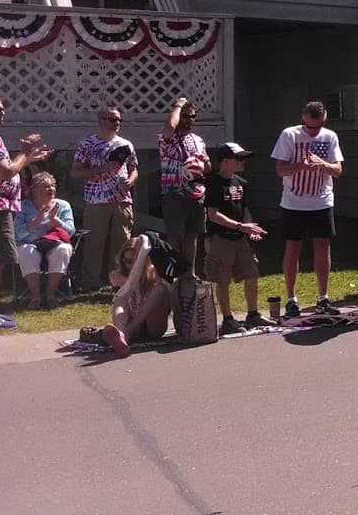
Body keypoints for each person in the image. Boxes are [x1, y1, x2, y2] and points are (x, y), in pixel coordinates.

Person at [270, 101, 343, 318]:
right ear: (303, 118)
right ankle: (291, 298)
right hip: (294, 202)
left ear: (324, 119)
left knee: (323, 246)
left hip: (321, 201)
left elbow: (338, 170)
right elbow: (280, 170)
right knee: (293, 248)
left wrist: (323, 165)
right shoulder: (289, 135)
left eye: (318, 126)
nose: (314, 131)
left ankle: (323, 296)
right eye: (310, 127)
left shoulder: (329, 137)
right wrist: (299, 166)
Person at [202, 143, 269, 333]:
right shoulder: (213, 183)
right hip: (219, 238)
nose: (243, 162)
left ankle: (253, 314)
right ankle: (228, 319)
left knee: (251, 273)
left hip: (240, 238)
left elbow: (244, 209)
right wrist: (241, 226)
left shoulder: (242, 183)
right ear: (225, 161)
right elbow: (213, 214)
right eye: (238, 158)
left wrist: (251, 228)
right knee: (222, 278)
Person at [70, 106, 137, 292]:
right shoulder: (88, 144)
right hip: (96, 199)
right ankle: (90, 283)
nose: (117, 123)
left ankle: (119, 282)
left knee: (122, 242)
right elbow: (75, 171)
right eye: (112, 119)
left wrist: (130, 181)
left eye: (119, 120)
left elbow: (134, 168)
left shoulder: (126, 144)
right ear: (101, 120)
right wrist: (101, 169)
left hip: (122, 199)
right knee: (94, 242)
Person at [0, 95, 52, 297]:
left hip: (4, 206)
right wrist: (24, 152)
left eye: (3, 109)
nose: (2, 113)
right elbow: (6, 172)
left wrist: (27, 158)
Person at [92, 236, 175, 359]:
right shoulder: (116, 275)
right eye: (127, 261)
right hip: (130, 322)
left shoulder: (154, 273)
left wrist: (145, 258)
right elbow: (132, 283)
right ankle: (121, 333)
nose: (131, 265)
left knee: (160, 289)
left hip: (153, 325)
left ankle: (125, 334)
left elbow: (165, 287)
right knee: (120, 297)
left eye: (135, 261)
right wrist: (139, 260)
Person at [158, 97, 209, 267]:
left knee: (192, 236)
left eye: (193, 117)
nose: (190, 120)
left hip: (195, 194)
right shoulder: (168, 138)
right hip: (174, 193)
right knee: (174, 236)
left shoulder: (198, 140)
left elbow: (208, 167)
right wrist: (178, 105)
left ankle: (189, 273)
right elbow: (170, 127)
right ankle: (173, 272)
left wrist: (203, 163)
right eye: (186, 116)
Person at [16, 172, 74, 308]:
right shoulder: (23, 206)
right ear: (34, 190)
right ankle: (36, 297)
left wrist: (56, 220)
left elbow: (71, 231)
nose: (51, 189)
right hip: (30, 243)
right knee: (25, 251)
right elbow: (17, 234)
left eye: (53, 186)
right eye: (46, 187)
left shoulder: (63, 205)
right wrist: (37, 220)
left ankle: (50, 295)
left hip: (55, 243)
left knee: (63, 250)